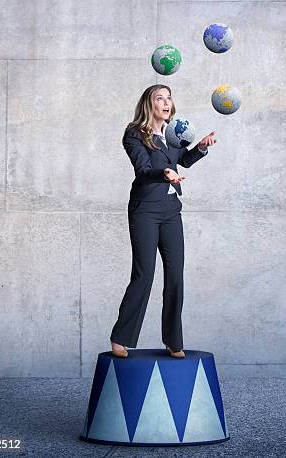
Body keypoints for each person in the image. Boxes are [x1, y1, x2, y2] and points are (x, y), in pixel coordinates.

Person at [109, 84, 216, 359]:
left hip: (170, 210)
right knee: (144, 275)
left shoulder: (172, 133)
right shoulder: (134, 133)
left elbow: (184, 160)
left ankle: (173, 340)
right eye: (160, 98)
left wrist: (201, 148)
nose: (166, 103)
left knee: (175, 275)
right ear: (149, 104)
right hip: (145, 210)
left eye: (169, 98)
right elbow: (144, 170)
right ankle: (120, 337)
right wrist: (165, 172)